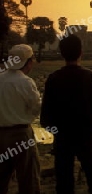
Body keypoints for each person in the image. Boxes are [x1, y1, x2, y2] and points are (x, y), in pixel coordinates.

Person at [40, 34, 92, 194]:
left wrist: (58, 132)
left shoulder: (53, 78)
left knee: (64, 182)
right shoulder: (91, 77)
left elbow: (45, 117)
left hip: (63, 139)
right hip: (86, 137)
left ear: (62, 53)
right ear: (81, 52)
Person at [0, 44, 41, 194]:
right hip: (21, 135)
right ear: (28, 62)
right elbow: (36, 108)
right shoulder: (25, 82)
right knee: (28, 179)